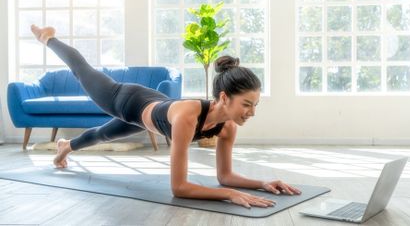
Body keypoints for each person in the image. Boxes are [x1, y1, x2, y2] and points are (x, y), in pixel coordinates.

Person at [30, 25, 301, 209]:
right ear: (224, 98)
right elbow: (179, 187)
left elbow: (226, 176)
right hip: (124, 98)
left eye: (255, 105)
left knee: (102, 134)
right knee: (82, 70)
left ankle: (65, 147)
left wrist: (262, 183)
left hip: (149, 107)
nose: (252, 113)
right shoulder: (187, 117)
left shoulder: (228, 127)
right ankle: (47, 37)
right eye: (247, 104)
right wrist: (229, 195)